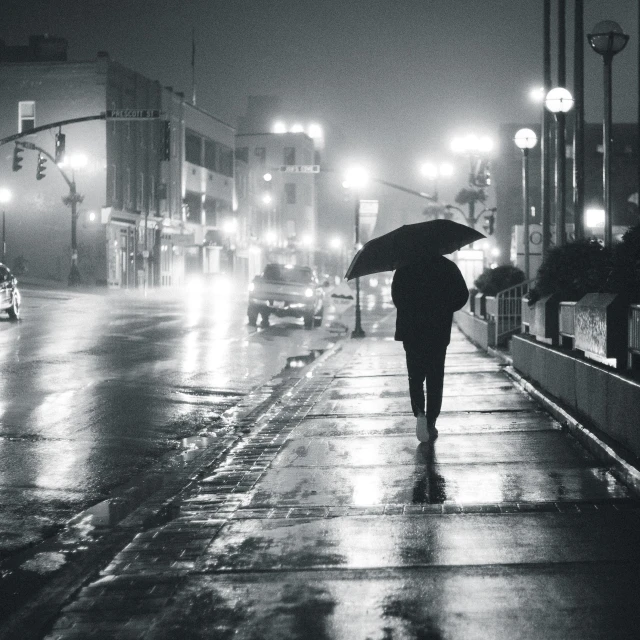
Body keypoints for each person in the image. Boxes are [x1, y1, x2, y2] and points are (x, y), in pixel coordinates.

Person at [391, 255, 469, 442]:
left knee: (415, 376)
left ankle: (419, 412)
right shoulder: (447, 267)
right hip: (438, 330)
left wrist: (412, 309)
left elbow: (397, 298)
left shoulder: (404, 268)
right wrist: (444, 307)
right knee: (435, 377)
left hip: (412, 331)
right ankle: (431, 421)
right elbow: (462, 295)